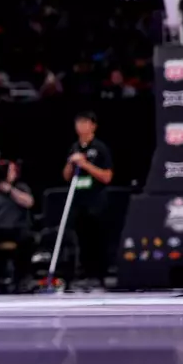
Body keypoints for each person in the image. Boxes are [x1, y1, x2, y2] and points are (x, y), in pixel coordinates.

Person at [63, 111, 115, 284]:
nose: (81, 126)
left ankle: (99, 275)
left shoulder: (99, 148)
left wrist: (85, 164)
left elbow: (107, 176)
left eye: (85, 122)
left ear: (93, 125)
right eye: (78, 123)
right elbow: (66, 176)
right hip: (78, 200)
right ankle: (82, 274)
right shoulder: (74, 147)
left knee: (97, 239)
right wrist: (72, 163)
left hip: (96, 201)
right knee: (80, 238)